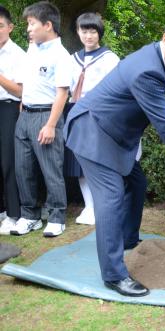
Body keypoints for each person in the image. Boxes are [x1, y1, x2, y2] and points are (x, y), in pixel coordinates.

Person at [64, 17, 165, 297]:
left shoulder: (155, 60)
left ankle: (129, 240)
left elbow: (159, 112)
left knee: (137, 183)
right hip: (92, 131)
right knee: (111, 197)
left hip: (113, 135)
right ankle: (114, 275)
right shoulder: (148, 70)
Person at [11, 1, 71, 237]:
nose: (28, 29)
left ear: (48, 25)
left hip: (47, 115)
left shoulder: (61, 55)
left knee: (50, 169)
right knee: (23, 170)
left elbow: (62, 93)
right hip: (24, 116)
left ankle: (57, 217)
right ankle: (30, 216)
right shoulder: (32, 49)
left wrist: (50, 125)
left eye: (32, 24)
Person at [64, 12, 120, 225]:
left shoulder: (110, 59)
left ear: (99, 33)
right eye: (84, 31)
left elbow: (116, 89)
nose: (88, 35)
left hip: (99, 113)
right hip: (75, 111)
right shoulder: (72, 60)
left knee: (99, 160)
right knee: (79, 162)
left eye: (93, 31)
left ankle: (102, 205)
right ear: (78, 32)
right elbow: (64, 89)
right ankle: (89, 207)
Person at [0, 5, 26, 235]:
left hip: (8, 109)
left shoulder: (18, 54)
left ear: (10, 27)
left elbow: (19, 91)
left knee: (8, 162)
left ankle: (13, 213)